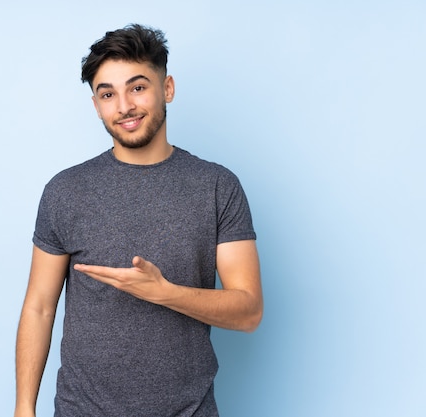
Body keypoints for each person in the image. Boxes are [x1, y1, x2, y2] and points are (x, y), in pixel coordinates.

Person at [14, 24, 263, 417]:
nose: (124, 106)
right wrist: (23, 408)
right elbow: (39, 307)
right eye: (107, 94)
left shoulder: (217, 186)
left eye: (138, 87)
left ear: (167, 89)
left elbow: (248, 311)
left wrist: (164, 292)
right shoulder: (66, 191)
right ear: (96, 105)